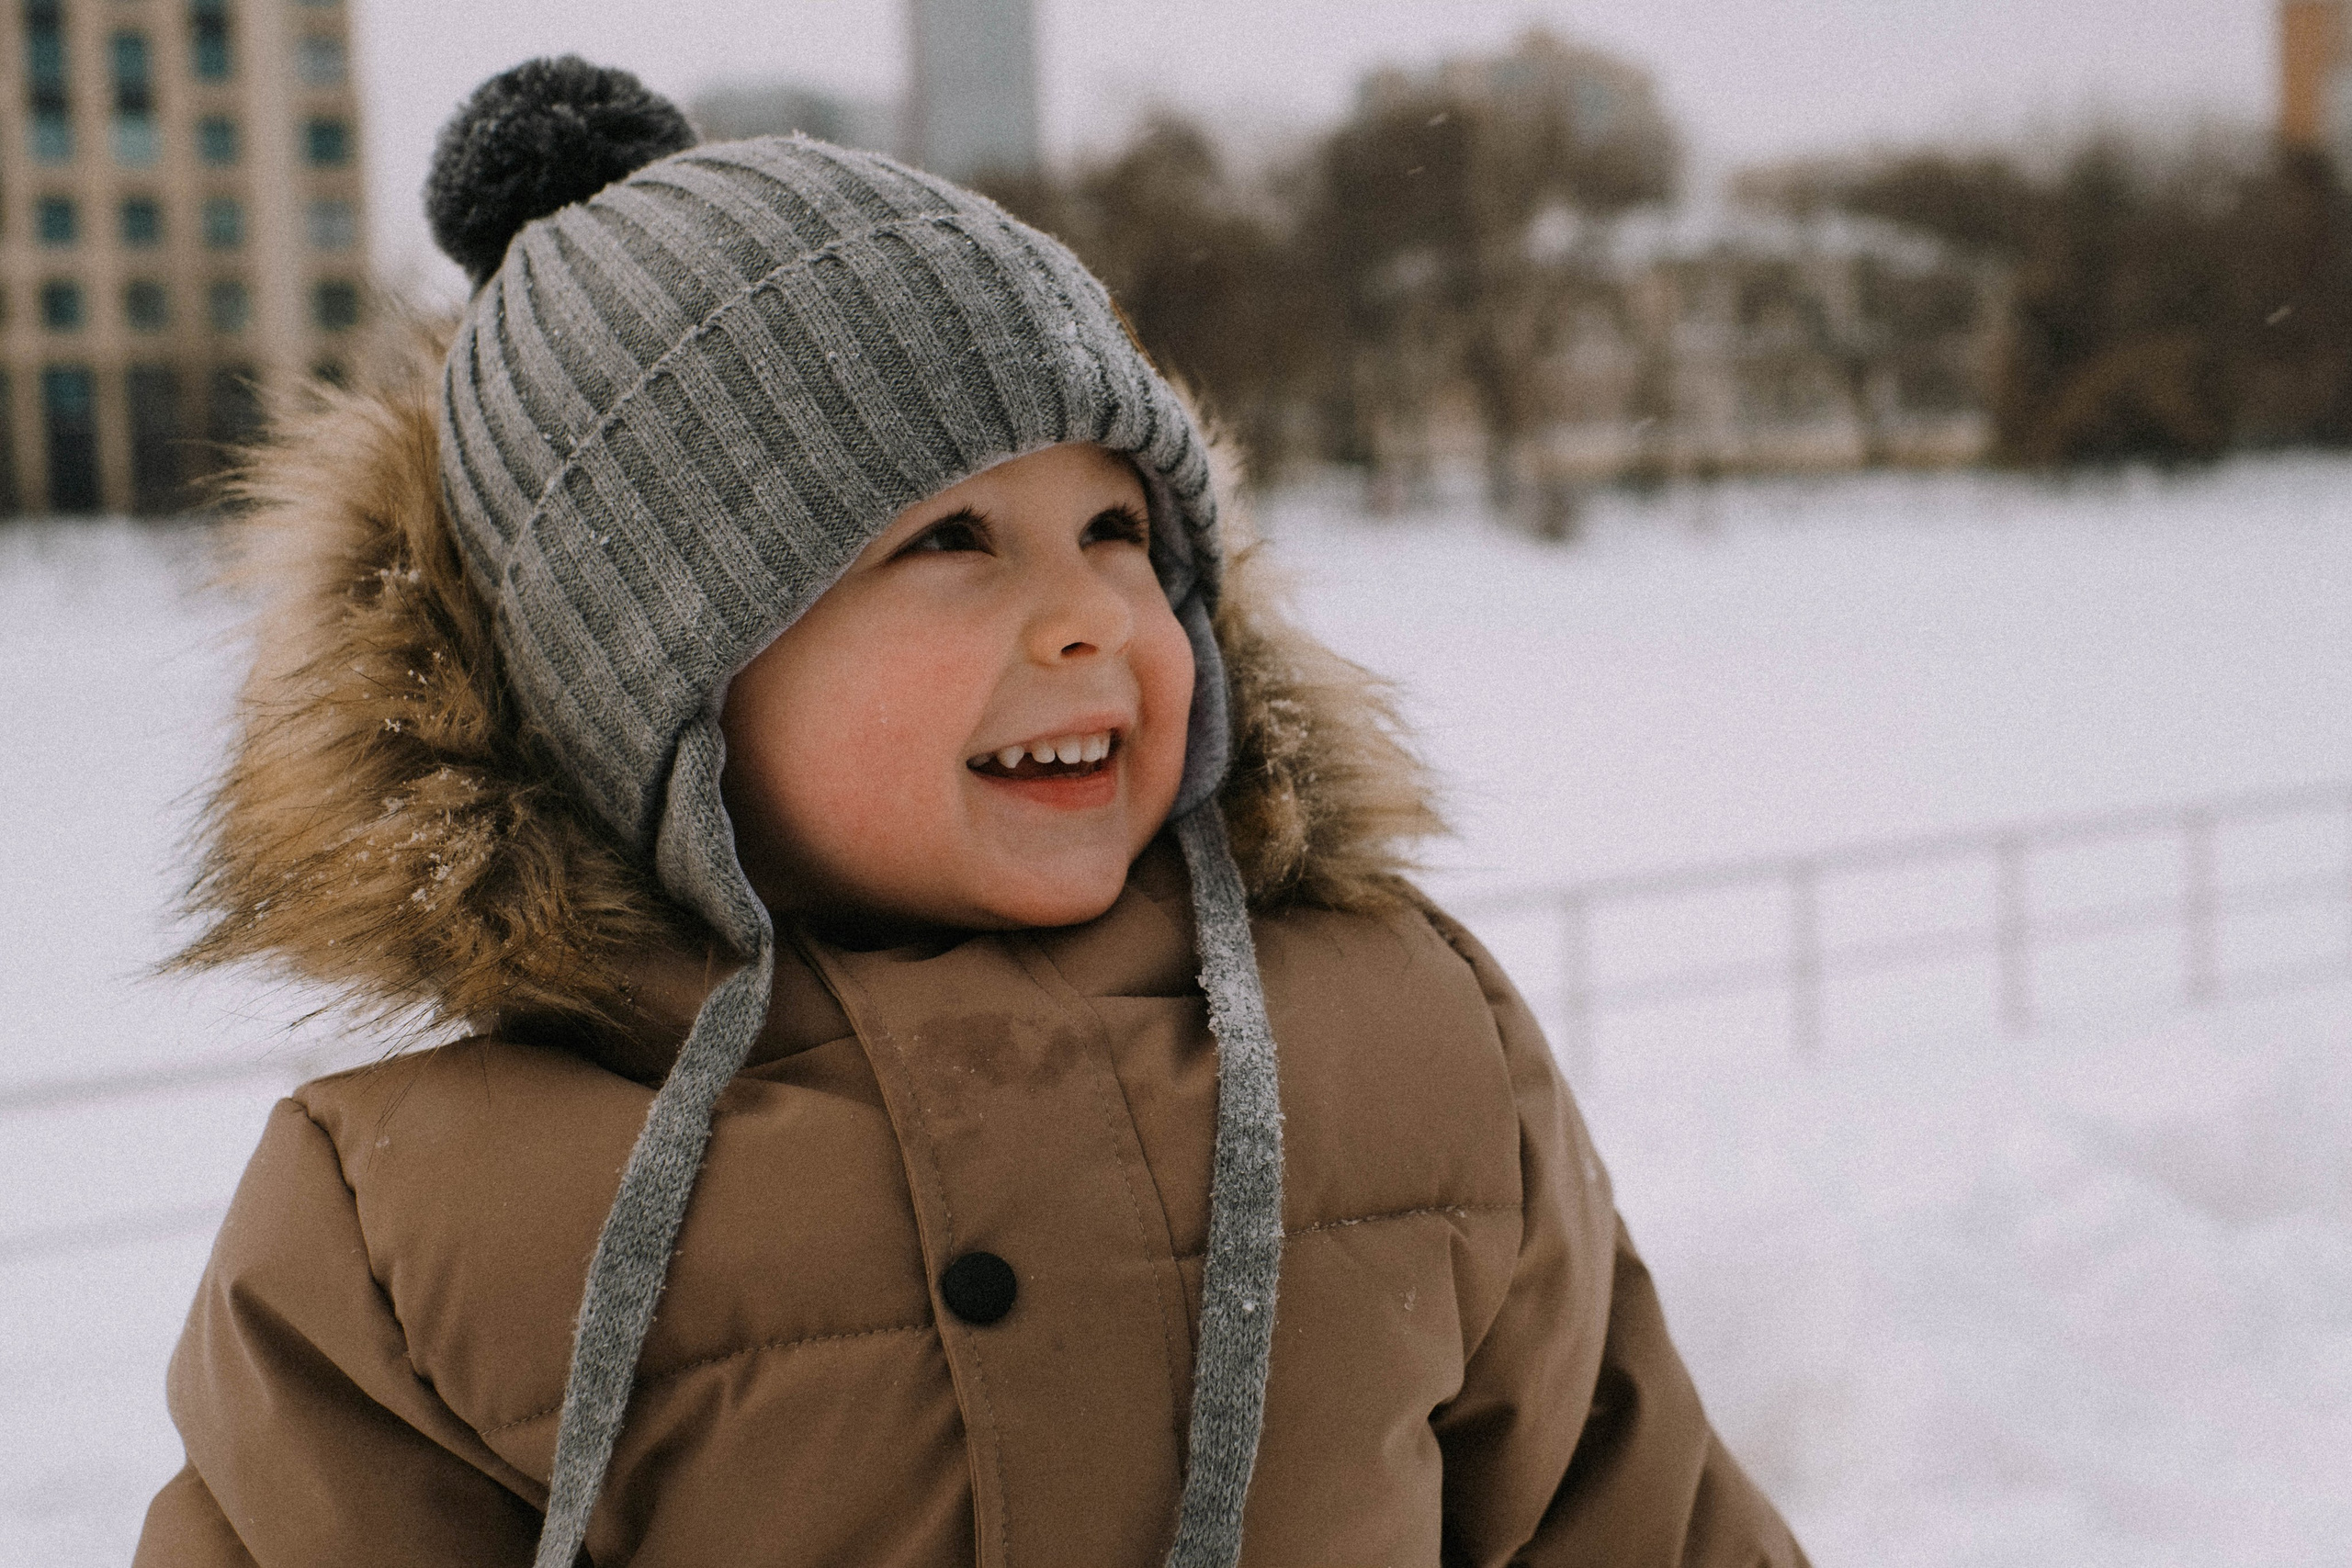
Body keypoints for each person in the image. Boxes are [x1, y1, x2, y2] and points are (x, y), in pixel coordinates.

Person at [135, 57, 1807, 1568]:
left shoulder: (1406, 1044)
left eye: (1116, 529)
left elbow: (1635, 1527)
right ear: (655, 681)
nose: (1091, 615)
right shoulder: (412, 1224)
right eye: (948, 539)